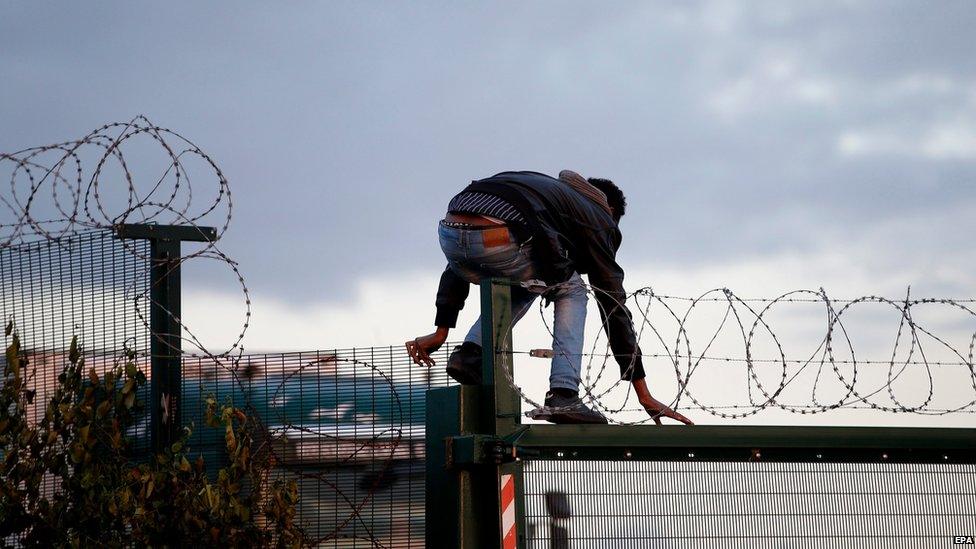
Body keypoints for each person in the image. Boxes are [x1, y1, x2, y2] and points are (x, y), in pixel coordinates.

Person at [406, 170, 692, 425]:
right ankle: (564, 393)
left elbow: (457, 266)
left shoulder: (546, 193)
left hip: (451, 232)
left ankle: (469, 353)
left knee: (529, 278)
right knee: (573, 288)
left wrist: (441, 331)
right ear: (611, 210)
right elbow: (612, 302)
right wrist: (643, 392)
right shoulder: (598, 217)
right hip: (503, 234)